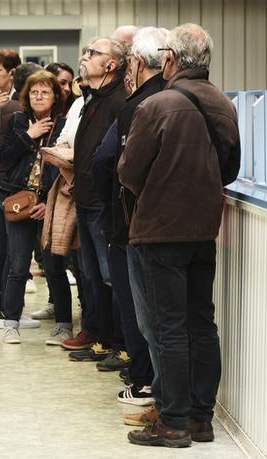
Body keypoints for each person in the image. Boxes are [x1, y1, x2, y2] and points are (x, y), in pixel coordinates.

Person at [118, 23, 241, 448]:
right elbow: (230, 168)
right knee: (202, 322)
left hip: (159, 231)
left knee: (168, 327)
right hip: (204, 228)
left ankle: (173, 422)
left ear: (170, 59)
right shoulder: (224, 104)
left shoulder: (156, 107)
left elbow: (129, 172)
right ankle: (202, 418)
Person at [92, 27, 168, 405]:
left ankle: (146, 383)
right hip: (174, 223)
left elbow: (112, 163)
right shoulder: (195, 99)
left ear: (136, 63)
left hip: (133, 222)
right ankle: (181, 400)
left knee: (143, 311)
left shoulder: (134, 106)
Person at [62, 37, 128, 364]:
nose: (84, 57)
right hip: (85, 198)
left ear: (111, 65)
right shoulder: (92, 97)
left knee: (110, 277)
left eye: (92, 53)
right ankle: (101, 338)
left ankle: (121, 343)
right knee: (90, 276)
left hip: (104, 204)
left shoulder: (119, 100)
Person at [0, 70, 71, 344]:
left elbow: (65, 166)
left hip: (50, 204)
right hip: (19, 203)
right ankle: (11, 323)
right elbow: (4, 159)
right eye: (34, 92)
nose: (39, 97)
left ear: (55, 97)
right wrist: (28, 135)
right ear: (26, 96)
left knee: (54, 266)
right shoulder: (17, 120)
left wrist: (45, 202)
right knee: (17, 265)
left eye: (45, 92)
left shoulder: (63, 125)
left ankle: (64, 324)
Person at [0, 62, 43, 328]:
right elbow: (13, 153)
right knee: (14, 253)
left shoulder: (2, 107)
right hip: (8, 188)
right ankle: (6, 310)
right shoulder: (19, 112)